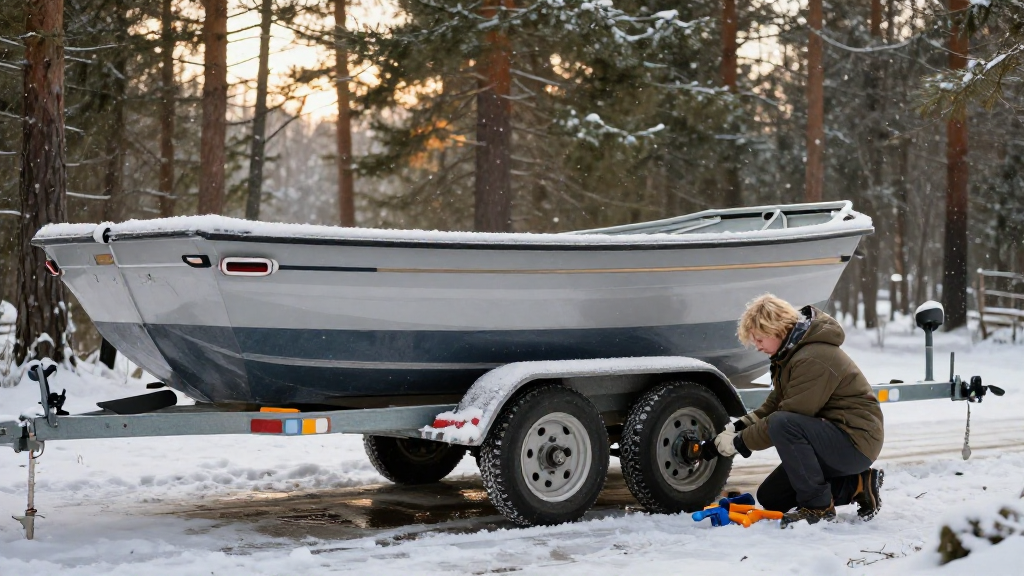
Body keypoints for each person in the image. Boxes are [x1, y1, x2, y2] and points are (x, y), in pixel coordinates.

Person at [701, 294, 884, 528]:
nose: (757, 346)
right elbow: (773, 405)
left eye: (759, 338)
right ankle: (859, 485)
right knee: (772, 498)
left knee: (782, 424)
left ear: (776, 328)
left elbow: (788, 417)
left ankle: (818, 509)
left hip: (855, 441)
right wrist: (736, 427)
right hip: (829, 438)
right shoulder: (790, 356)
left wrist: (738, 443)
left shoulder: (814, 357)